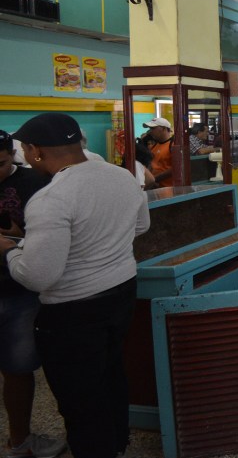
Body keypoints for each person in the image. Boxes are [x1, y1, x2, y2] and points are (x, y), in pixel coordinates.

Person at [0, 112, 149, 458]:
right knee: (110, 375)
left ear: (36, 151)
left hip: (73, 312)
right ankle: (116, 444)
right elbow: (141, 226)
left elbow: (38, 275)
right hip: (121, 294)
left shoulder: (52, 198)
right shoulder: (122, 176)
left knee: (81, 399)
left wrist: (9, 250)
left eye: (25, 150)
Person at [0, 130, 65, 458]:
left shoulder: (37, 183)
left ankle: (20, 440)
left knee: (18, 369)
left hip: (19, 291)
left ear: (13, 155)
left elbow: (51, 237)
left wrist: (18, 236)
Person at [143, 117, 174, 188]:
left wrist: (154, 179)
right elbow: (151, 165)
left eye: (153, 128)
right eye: (150, 128)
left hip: (168, 189)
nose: (150, 131)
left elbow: (174, 169)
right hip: (155, 187)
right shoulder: (154, 146)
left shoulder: (173, 145)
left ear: (164, 129)